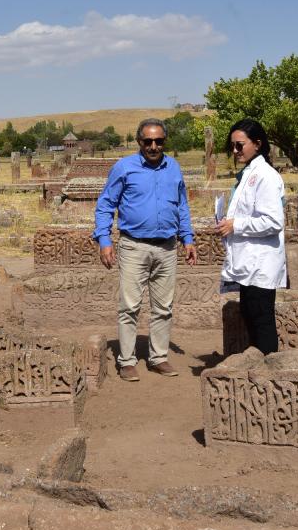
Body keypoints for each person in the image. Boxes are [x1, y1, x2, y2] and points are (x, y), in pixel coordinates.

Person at [94, 118, 198, 381]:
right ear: (139, 142)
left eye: (159, 141)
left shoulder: (173, 167)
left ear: (164, 142)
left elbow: (182, 206)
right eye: (148, 141)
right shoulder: (124, 167)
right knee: (129, 306)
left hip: (166, 246)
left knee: (163, 307)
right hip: (134, 245)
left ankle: (158, 357)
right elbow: (106, 204)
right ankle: (127, 360)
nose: (154, 146)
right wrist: (104, 240)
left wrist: (188, 238)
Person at [216, 118, 287, 355]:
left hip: (261, 262)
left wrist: (237, 225)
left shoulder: (265, 176)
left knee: (262, 319)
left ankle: (270, 371)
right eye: (232, 146)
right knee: (251, 313)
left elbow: (273, 221)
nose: (235, 151)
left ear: (257, 144)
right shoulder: (249, 173)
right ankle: (260, 369)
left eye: (240, 145)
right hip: (250, 261)